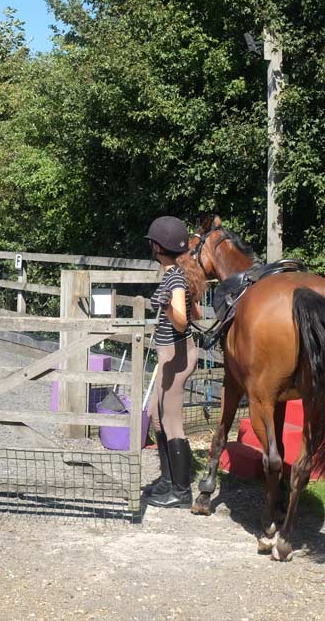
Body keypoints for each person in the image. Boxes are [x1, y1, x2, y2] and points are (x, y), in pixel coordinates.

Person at [143, 215, 204, 508]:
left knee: (172, 421)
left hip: (177, 355)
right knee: (155, 413)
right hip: (169, 355)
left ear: (157, 246)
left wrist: (166, 305)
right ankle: (168, 480)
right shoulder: (177, 274)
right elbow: (198, 315)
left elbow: (181, 323)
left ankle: (181, 492)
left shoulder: (176, 277)